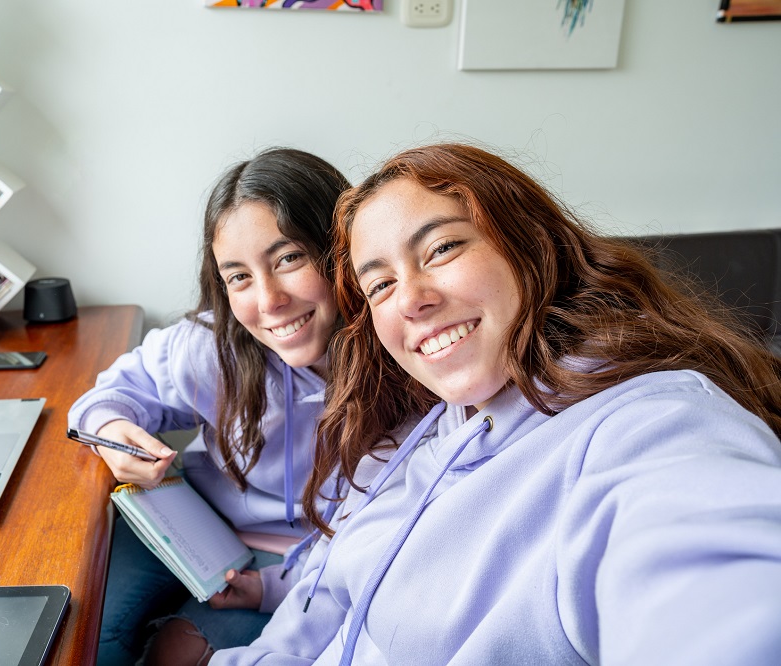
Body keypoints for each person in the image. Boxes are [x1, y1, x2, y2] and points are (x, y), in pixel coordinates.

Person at [212, 143, 781, 665]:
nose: (411, 298)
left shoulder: (649, 423)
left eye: (442, 248)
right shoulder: (415, 430)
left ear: (528, 245)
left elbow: (715, 584)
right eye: (379, 284)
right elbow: (331, 595)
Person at [68, 147, 350, 665]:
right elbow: (108, 395)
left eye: (289, 258)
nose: (268, 301)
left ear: (343, 248)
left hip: (304, 567)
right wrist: (111, 430)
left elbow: (376, 551)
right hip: (192, 526)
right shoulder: (211, 346)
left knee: (174, 654)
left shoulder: (405, 375)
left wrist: (268, 589)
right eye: (239, 276)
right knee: (88, 637)